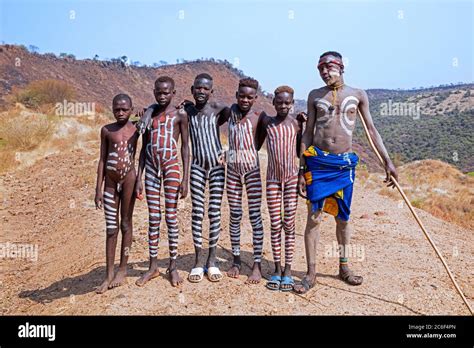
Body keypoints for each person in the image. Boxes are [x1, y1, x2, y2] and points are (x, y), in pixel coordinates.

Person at [293, 51, 398, 294]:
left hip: (343, 165)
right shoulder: (314, 96)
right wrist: (301, 168)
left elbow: (371, 130)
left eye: (329, 67)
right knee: (314, 218)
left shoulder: (358, 95)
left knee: (343, 219)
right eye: (321, 68)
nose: (324, 72)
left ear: (341, 67)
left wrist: (387, 162)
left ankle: (344, 267)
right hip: (318, 163)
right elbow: (308, 132)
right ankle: (311, 273)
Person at [134, 76, 190, 287]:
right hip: (151, 169)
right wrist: (138, 176)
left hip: (171, 168)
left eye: (166, 92)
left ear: (173, 93)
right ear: (154, 92)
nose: (162, 95)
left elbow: (185, 147)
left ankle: (173, 266)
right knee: (154, 217)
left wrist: (185, 178)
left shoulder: (180, 115)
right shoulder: (149, 116)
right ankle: (153, 267)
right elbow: (142, 148)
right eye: (158, 92)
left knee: (171, 217)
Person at [255, 85, 303, 291]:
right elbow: (256, 144)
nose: (283, 106)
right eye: (280, 102)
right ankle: (276, 269)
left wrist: (302, 175)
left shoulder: (297, 125)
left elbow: (302, 153)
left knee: (289, 225)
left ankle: (288, 271)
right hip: (273, 180)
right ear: (273, 103)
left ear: (292, 104)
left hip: (291, 180)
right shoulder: (268, 123)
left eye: (287, 103)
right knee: (275, 224)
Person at [95, 94, 139, 294]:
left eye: (124, 109)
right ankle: (108, 274)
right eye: (117, 109)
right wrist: (98, 189)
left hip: (129, 179)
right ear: (112, 109)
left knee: (126, 224)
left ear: (131, 109)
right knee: (111, 228)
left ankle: (123, 269)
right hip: (111, 183)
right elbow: (102, 160)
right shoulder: (106, 130)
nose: (120, 113)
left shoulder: (136, 130)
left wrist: (141, 181)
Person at [225, 77, 264, 284]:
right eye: (242, 96)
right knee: (234, 215)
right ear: (236, 95)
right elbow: (209, 113)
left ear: (255, 98)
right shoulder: (230, 113)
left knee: (255, 216)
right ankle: (237, 259)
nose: (245, 100)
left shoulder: (259, 116)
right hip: (232, 170)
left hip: (252, 170)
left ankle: (256, 264)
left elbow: (265, 136)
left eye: (250, 97)